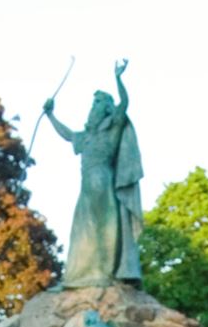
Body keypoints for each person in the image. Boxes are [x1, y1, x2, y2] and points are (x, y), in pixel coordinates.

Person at [45, 60, 143, 289]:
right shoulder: (86, 136)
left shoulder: (113, 126)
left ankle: (105, 273)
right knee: (83, 232)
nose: (93, 106)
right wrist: (50, 115)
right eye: (93, 102)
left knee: (104, 228)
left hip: (103, 183)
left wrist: (118, 79)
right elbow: (67, 134)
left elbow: (125, 104)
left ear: (107, 108)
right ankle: (79, 276)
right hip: (86, 188)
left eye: (98, 102)